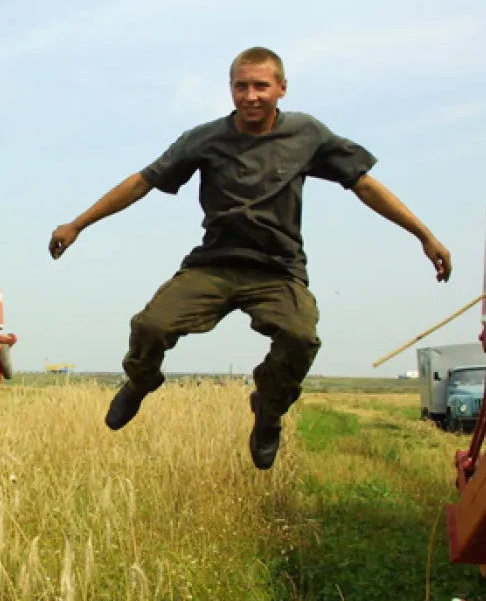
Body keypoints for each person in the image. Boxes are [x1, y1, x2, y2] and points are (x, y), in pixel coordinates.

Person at [48, 46, 451, 470]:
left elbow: (364, 185)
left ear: (281, 88)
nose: (251, 95)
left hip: (277, 269)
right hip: (214, 264)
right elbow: (142, 182)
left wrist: (424, 235)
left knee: (300, 337)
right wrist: (78, 223)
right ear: (230, 89)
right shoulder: (205, 138)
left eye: (261, 86)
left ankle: (269, 409)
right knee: (150, 326)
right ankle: (141, 381)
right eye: (241, 86)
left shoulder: (306, 134)